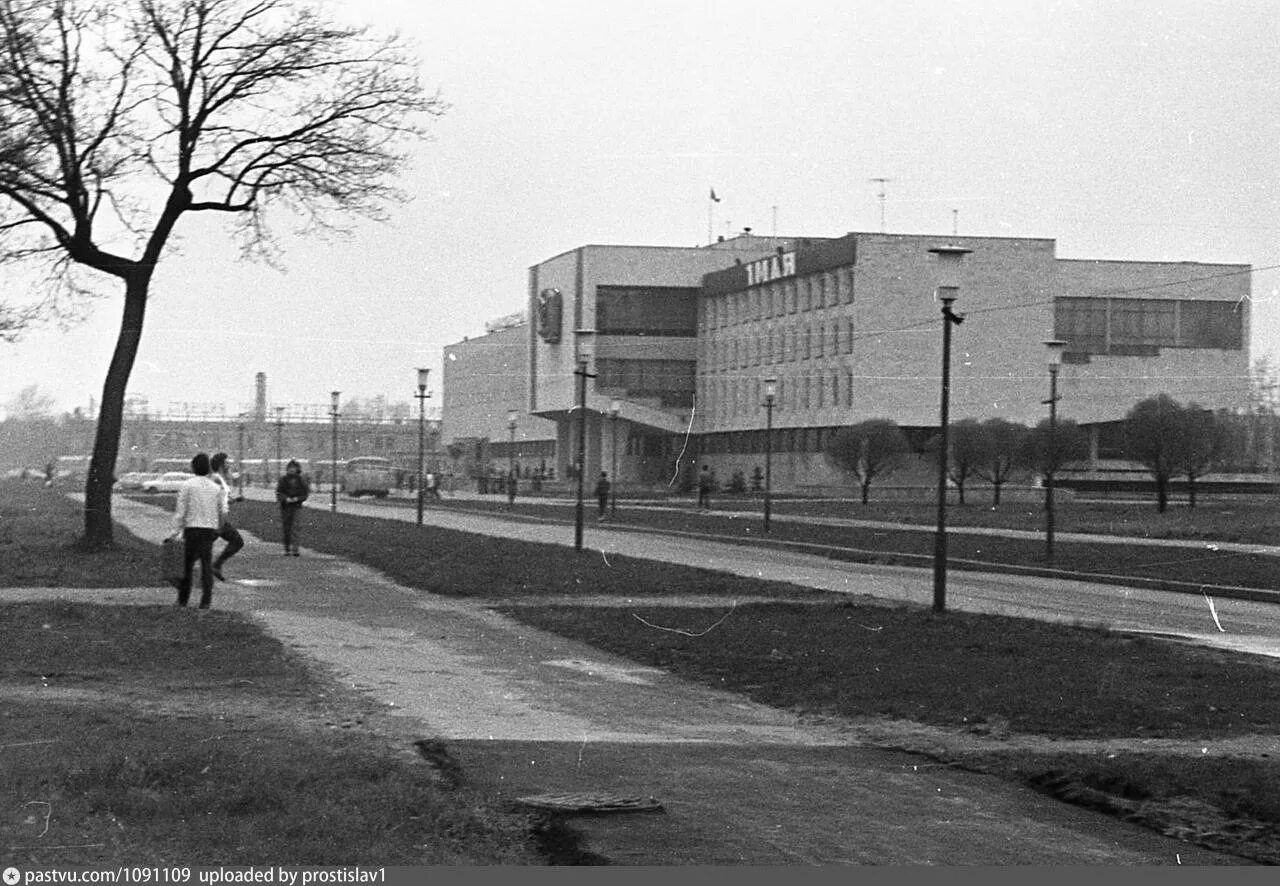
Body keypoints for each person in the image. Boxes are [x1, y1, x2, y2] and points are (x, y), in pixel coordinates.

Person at [172, 452, 226, 609]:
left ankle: (183, 598)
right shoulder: (216, 488)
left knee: (187, 565)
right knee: (206, 564)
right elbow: (221, 510)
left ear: (193, 467)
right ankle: (206, 600)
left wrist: (176, 531)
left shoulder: (187, 485)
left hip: (192, 528)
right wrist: (218, 528)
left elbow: (181, 510)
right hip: (209, 529)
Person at [209, 452, 244, 582]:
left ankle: (215, 566)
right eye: (226, 462)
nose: (228, 465)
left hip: (215, 518)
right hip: (217, 519)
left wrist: (234, 500)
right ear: (220, 464)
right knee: (237, 541)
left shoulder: (217, 477)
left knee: (201, 548)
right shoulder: (217, 479)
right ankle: (215, 566)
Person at [275, 459, 310, 556]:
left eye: (293, 468)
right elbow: (279, 492)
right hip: (285, 507)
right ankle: (287, 548)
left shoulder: (301, 480)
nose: (291, 470)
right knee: (286, 528)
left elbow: (305, 493)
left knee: (296, 527)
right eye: (290, 468)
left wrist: (297, 499)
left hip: (296, 506)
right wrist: (285, 498)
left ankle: (295, 549)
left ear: (297, 469)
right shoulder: (283, 480)